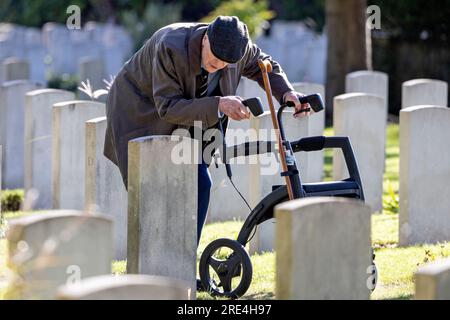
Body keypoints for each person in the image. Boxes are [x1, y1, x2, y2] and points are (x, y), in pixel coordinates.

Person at [104, 15, 310, 249]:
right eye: (215, 61)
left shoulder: (239, 48)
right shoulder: (170, 46)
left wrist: (287, 94)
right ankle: (155, 263)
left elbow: (265, 66)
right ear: (205, 39)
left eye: (226, 63)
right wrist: (219, 105)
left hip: (189, 115)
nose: (220, 66)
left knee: (200, 182)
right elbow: (167, 106)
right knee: (155, 191)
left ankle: (185, 261)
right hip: (140, 110)